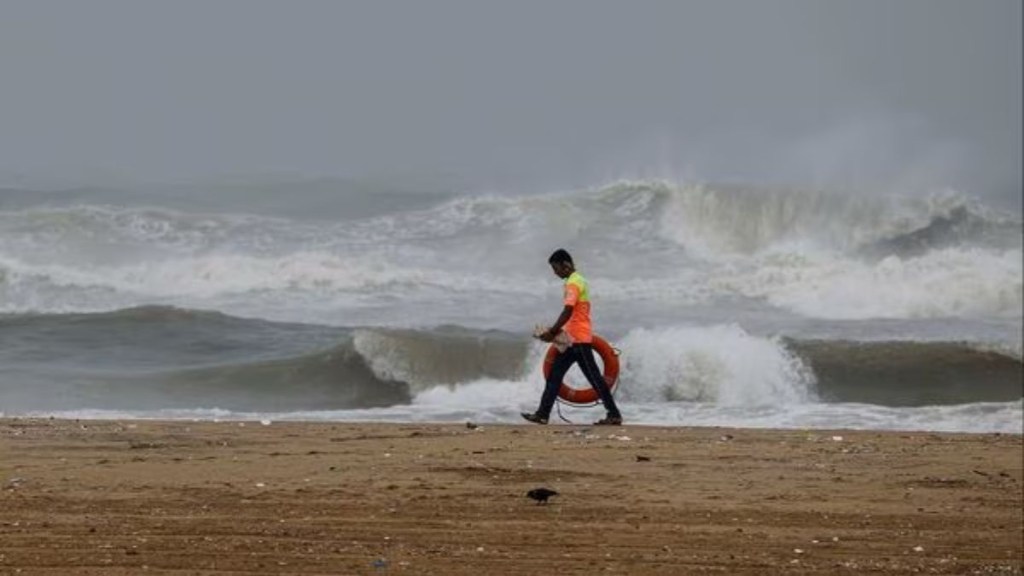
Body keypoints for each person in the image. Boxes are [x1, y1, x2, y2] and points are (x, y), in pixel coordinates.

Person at [522, 249, 624, 426]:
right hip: (572, 341)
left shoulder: (574, 283)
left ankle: (614, 415)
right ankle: (542, 414)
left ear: (566, 265)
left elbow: (568, 310)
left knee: (594, 379)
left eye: (556, 268)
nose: (555, 273)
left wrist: (552, 332)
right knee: (554, 377)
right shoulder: (577, 281)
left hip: (579, 341)